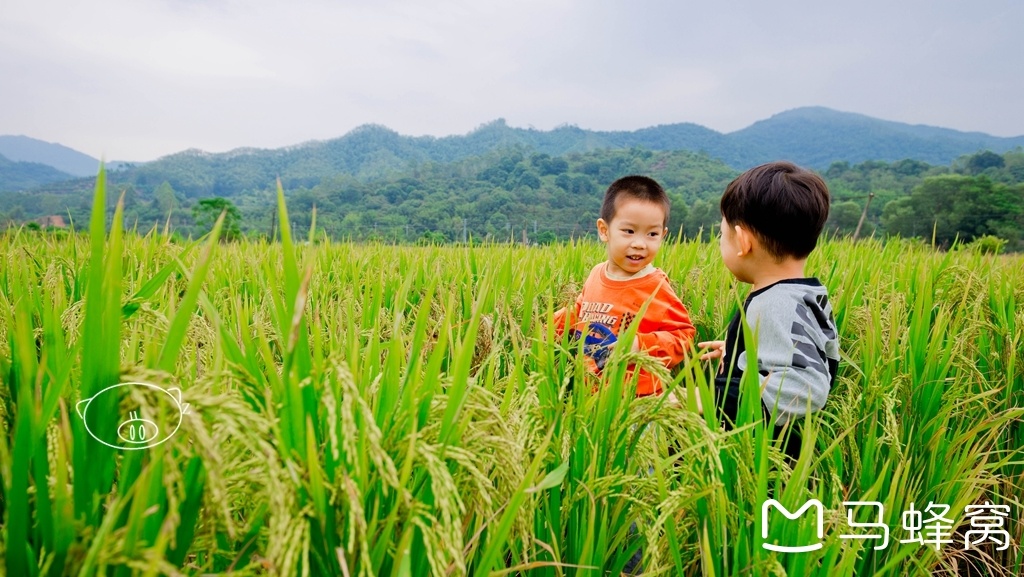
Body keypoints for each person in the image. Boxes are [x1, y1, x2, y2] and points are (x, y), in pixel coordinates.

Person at [699, 161, 840, 461]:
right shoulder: (802, 293)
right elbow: (809, 351)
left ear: (743, 242)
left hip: (768, 459)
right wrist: (740, 351)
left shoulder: (775, 304)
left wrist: (702, 398)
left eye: (722, 235)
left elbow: (809, 384)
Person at [552, 175, 696, 397]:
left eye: (652, 234)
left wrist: (638, 344)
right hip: (591, 394)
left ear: (663, 235)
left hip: (637, 400)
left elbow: (683, 335)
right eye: (629, 231)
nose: (639, 243)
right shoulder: (595, 274)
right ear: (604, 230)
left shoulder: (655, 287)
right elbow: (581, 312)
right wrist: (550, 326)